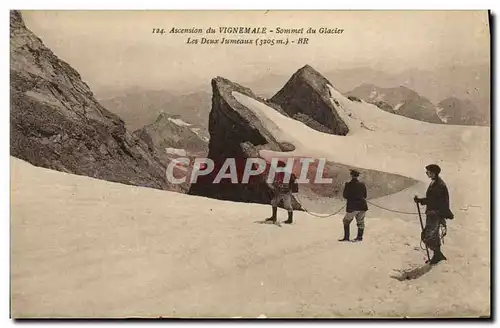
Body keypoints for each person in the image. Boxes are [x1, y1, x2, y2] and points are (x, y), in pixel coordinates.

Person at [414, 164, 453, 265]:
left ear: (434, 172)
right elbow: (432, 199)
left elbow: (434, 201)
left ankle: (438, 255)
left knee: (427, 236)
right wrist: (421, 201)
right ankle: (437, 256)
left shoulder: (439, 185)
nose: (427, 173)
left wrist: (420, 200)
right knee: (433, 235)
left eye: (428, 172)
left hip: (435, 214)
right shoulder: (435, 182)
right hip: (433, 213)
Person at [339, 169, 368, 242]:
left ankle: (346, 237)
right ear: (357, 176)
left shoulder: (348, 185)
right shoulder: (362, 184)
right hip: (362, 206)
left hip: (352, 207)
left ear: (351, 175)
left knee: (346, 221)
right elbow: (365, 196)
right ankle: (359, 237)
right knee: (360, 222)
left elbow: (345, 196)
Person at [266, 160, 298, 224]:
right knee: (278, 203)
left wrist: (274, 185)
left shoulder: (282, 173)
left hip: (284, 191)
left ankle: (276, 218)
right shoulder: (286, 173)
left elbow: (279, 182)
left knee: (277, 203)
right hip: (284, 191)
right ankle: (287, 219)